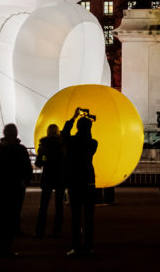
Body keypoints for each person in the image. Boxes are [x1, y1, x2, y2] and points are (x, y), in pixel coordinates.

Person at [0, 123, 33, 258]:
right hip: (15, 185)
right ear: (16, 134)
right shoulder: (20, 149)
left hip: (1, 185)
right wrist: (26, 180)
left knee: (0, 216)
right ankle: (7, 247)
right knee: (12, 215)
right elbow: (27, 167)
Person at [63, 108, 99, 257]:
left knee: (76, 217)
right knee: (89, 217)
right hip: (89, 182)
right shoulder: (93, 143)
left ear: (77, 127)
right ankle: (89, 246)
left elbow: (64, 134)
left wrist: (73, 117)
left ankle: (76, 246)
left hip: (75, 182)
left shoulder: (71, 142)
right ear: (89, 128)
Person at [35, 123, 65, 238]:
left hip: (48, 176)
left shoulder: (43, 145)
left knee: (43, 205)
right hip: (60, 177)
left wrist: (44, 158)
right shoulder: (62, 144)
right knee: (59, 206)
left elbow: (39, 163)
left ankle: (40, 230)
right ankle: (57, 230)